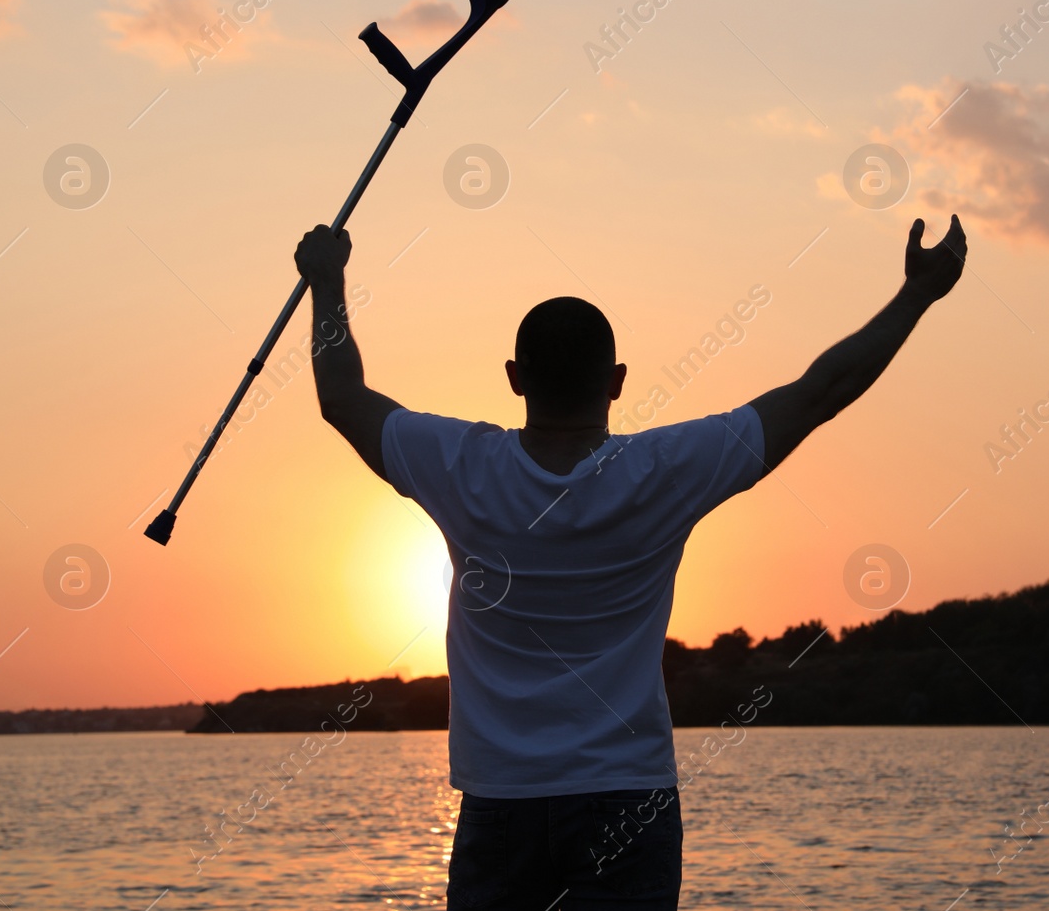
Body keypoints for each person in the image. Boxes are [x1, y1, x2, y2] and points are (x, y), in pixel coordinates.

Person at [294, 214, 967, 909]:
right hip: (628, 799)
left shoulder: (461, 465)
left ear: (515, 378)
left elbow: (342, 397)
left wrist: (328, 280)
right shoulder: (665, 470)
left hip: (501, 804)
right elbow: (822, 390)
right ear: (615, 380)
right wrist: (919, 294)